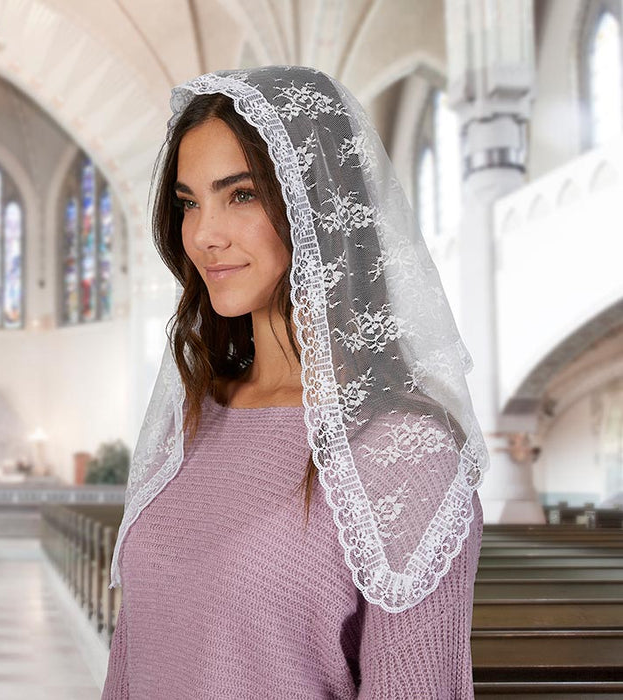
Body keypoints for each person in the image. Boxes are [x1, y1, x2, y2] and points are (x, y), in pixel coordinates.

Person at [102, 65, 488, 699]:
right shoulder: (192, 418)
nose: (203, 235)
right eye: (188, 202)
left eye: (241, 195)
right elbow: (133, 662)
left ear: (320, 203)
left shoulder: (407, 454)